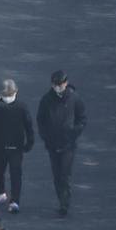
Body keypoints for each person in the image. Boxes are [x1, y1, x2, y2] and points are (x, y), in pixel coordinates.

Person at [36, 72, 88, 215]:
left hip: (68, 144)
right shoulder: (46, 100)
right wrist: (45, 136)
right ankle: (61, 198)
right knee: (57, 175)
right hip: (52, 144)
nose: (58, 87)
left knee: (65, 175)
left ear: (66, 83)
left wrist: (73, 132)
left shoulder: (74, 98)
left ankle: (64, 204)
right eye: (55, 85)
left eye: (60, 84)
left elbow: (82, 118)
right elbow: (41, 120)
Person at [0, 79, 34, 211]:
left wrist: (30, 142)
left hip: (16, 147)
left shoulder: (22, 107)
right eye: (4, 95)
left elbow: (29, 126)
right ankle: (1, 192)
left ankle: (15, 201)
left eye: (9, 94)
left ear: (16, 92)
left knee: (16, 174)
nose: (7, 97)